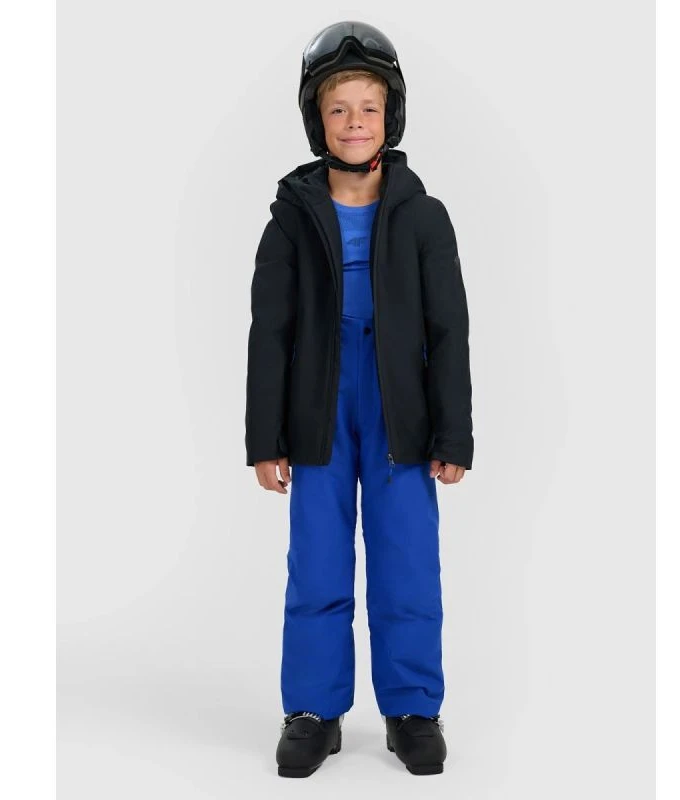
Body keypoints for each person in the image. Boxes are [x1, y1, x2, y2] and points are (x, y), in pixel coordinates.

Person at [245, 20, 473, 778]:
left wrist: (454, 435)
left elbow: (448, 331)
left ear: (390, 116)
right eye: (338, 108)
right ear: (317, 120)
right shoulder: (290, 218)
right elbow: (270, 332)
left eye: (368, 108)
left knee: (407, 561)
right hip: (317, 413)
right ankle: (313, 709)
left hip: (400, 414)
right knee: (317, 562)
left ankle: (412, 708)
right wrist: (265, 438)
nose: (353, 122)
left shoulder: (423, 216)